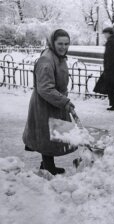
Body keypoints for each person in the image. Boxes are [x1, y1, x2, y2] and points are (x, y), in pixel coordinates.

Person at [23, 29, 77, 175]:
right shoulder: (47, 60)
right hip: (45, 104)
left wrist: (62, 100)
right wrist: (64, 101)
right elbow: (45, 88)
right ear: (53, 42)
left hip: (53, 102)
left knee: (50, 135)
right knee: (47, 135)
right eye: (60, 43)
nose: (63, 47)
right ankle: (48, 167)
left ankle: (47, 164)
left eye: (66, 44)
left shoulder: (57, 56)